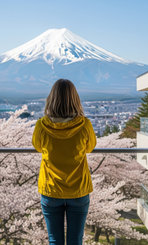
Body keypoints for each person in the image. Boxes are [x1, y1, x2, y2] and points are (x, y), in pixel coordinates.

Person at [32, 79, 97, 245]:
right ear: (75, 100)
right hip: (78, 189)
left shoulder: (41, 126)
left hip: (51, 189)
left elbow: (38, 147)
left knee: (55, 240)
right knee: (76, 240)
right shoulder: (85, 125)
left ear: (51, 99)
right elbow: (89, 148)